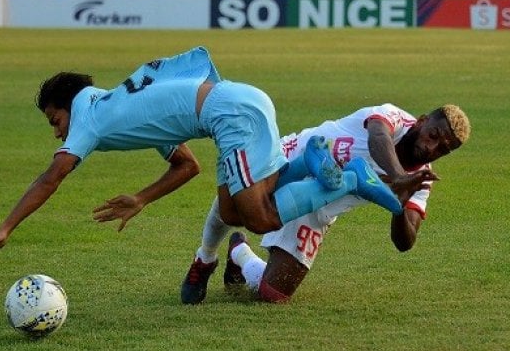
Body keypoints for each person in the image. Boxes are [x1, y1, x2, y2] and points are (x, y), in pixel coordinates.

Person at [0, 46, 404, 259]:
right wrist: (142, 198)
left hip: (231, 115)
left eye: (55, 122)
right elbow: (186, 165)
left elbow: (51, 177)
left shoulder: (87, 116)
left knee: (261, 218)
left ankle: (351, 178)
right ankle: (310, 162)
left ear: (67, 106)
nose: (59, 135)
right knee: (231, 211)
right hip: (238, 105)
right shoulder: (122, 106)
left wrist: (5, 228)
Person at [181, 103, 470, 304]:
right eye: (434, 136)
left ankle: (240, 254)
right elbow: (377, 138)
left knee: (273, 294)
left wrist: (398, 205)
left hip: (319, 208)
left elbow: (405, 242)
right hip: (291, 159)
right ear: (421, 121)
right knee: (235, 206)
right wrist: (396, 177)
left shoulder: (421, 180)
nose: (431, 148)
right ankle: (205, 257)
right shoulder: (391, 116)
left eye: (443, 149)